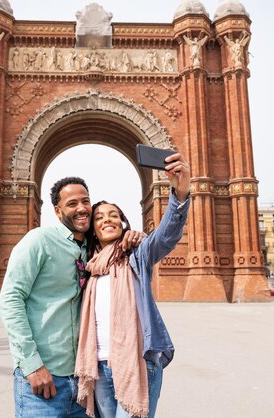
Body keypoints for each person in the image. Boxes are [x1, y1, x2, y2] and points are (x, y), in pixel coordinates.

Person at [0, 177, 145, 418]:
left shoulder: (94, 249)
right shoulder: (39, 241)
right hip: (44, 379)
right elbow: (11, 299)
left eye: (85, 201)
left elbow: (131, 245)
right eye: (72, 203)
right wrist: (32, 365)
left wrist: (140, 237)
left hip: (82, 383)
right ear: (58, 211)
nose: (81, 208)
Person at [75, 152, 190, 418]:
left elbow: (167, 235)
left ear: (123, 223)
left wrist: (180, 195)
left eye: (114, 215)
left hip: (137, 362)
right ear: (93, 229)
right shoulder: (88, 266)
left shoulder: (138, 254)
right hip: (99, 367)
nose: (107, 220)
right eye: (100, 217)